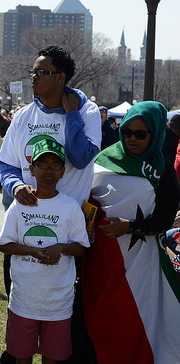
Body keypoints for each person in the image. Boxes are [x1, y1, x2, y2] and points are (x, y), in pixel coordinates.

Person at [0, 45, 101, 363]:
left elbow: (82, 158)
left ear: (60, 78)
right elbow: (7, 165)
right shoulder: (24, 116)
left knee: (64, 319)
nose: (33, 77)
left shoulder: (87, 111)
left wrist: (70, 117)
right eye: (33, 71)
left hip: (69, 232)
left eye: (40, 72)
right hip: (26, 228)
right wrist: (16, 187)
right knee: (22, 311)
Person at [83, 101, 180, 363]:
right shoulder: (101, 160)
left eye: (140, 134)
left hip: (142, 266)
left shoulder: (164, 172)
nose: (131, 139)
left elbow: (164, 219)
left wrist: (130, 227)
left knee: (132, 321)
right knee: (98, 315)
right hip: (100, 260)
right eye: (127, 132)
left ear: (157, 133)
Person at [0, 138, 89, 364]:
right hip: (24, 300)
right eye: (43, 164)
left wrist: (62, 247)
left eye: (55, 165)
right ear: (32, 169)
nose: (49, 170)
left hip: (58, 301)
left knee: (53, 357)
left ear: (62, 173)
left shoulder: (70, 207)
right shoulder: (20, 204)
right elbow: (4, 244)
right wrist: (31, 251)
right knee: (22, 356)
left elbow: (80, 247)